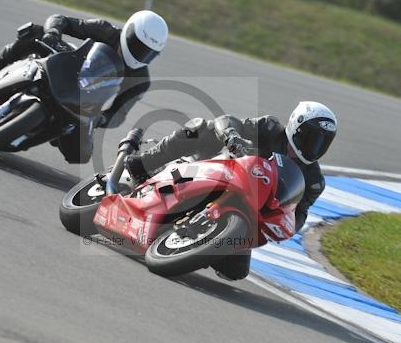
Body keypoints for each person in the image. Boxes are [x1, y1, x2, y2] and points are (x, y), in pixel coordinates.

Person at [125, 101, 338, 280]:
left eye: (324, 142)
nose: (316, 146)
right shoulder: (270, 128)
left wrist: (288, 222)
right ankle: (144, 163)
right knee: (201, 128)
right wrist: (232, 136)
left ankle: (195, 246)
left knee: (235, 271)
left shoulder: (314, 181)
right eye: (312, 137)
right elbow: (229, 120)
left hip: (249, 212)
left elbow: (299, 212)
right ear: (296, 127)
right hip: (218, 171)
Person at [0, 11, 168, 162]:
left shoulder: (141, 81)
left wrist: (102, 119)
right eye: (137, 44)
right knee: (34, 32)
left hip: (86, 104)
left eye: (147, 52)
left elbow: (119, 114)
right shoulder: (105, 30)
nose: (139, 54)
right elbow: (61, 19)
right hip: (70, 67)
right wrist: (53, 32)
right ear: (128, 31)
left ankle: (49, 131)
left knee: (80, 155)